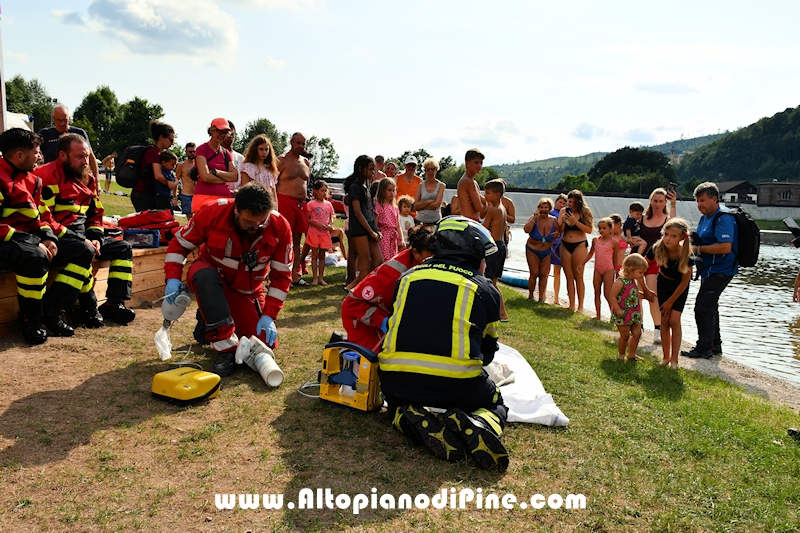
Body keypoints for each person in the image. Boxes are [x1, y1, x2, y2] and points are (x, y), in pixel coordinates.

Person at [378, 216, 509, 471]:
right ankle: (481, 422)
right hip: (456, 386)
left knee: (396, 403)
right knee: (495, 402)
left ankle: (404, 415)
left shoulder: (406, 277)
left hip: (395, 381)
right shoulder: (485, 289)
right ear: (471, 253)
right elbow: (488, 351)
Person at [164, 183, 293, 377]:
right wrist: (172, 279)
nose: (255, 228)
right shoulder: (212, 213)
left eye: (261, 222)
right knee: (204, 275)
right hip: (213, 278)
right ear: (236, 210)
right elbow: (179, 245)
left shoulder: (279, 226)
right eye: (249, 222)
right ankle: (225, 349)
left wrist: (269, 316)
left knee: (264, 343)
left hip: (247, 289)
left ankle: (208, 318)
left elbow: (282, 276)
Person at [35, 133, 136, 328]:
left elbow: (96, 214)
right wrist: (81, 240)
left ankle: (115, 303)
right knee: (84, 251)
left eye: (87, 156)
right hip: (56, 238)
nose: (85, 162)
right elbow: (44, 219)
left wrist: (96, 236)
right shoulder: (46, 176)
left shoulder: (88, 179)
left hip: (83, 238)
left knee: (123, 247)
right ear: (63, 155)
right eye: (80, 157)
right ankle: (54, 307)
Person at [0, 128, 58, 344]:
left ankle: (52, 312)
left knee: (78, 250)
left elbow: (40, 214)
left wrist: (48, 237)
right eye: (37, 152)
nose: (41, 157)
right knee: (34, 257)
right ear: (19, 156)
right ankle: (31, 319)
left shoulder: (33, 180)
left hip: (24, 239)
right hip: (7, 241)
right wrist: (33, 242)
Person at [341, 225, 434, 352]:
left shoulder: (421, 264)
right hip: (363, 323)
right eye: (431, 257)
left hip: (390, 317)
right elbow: (353, 302)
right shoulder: (393, 273)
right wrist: (382, 321)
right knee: (372, 361)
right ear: (416, 253)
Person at [681, 182, 738, 360]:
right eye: (698, 201)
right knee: (711, 307)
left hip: (722, 269)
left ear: (715, 199)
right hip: (709, 270)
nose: (700, 205)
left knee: (702, 307)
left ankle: (703, 348)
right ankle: (715, 345)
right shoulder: (706, 216)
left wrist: (698, 250)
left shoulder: (723, 217)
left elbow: (725, 247)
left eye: (703, 201)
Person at [653, 218, 693, 368]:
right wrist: (642, 286)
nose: (668, 239)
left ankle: (674, 360)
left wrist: (670, 302)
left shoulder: (686, 255)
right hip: (663, 284)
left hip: (679, 288)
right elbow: (642, 262)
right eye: (666, 234)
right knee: (664, 320)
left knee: (674, 320)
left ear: (682, 238)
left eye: (673, 236)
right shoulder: (658, 247)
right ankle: (665, 357)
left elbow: (684, 282)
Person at [640, 188, 677, 344]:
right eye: (655, 200)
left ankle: (657, 328)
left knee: (652, 295)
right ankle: (639, 326)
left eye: (661, 201)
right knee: (636, 295)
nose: (658, 204)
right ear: (650, 201)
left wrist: (674, 204)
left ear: (665, 202)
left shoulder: (666, 218)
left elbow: (674, 227)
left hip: (656, 260)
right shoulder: (641, 218)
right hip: (639, 259)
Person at [276, 132, 311, 286]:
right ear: (291, 142)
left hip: (301, 204)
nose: (301, 146)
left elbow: (306, 183)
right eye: (298, 143)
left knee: (297, 241)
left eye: (303, 143)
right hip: (285, 200)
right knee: (283, 239)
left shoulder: (305, 162)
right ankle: (278, 273)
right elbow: (273, 182)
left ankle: (295, 274)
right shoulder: (281, 160)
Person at [344, 156, 383, 291]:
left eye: (374, 169)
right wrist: (371, 231)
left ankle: (355, 286)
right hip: (359, 229)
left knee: (378, 260)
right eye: (371, 169)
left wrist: (375, 230)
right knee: (365, 263)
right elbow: (358, 212)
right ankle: (354, 288)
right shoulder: (355, 188)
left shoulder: (366, 187)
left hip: (369, 228)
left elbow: (370, 212)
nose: (373, 172)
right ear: (361, 169)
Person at [38, 104, 100, 186]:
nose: (62, 123)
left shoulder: (79, 133)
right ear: (53, 118)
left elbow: (91, 157)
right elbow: (33, 154)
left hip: (76, 181)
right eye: (58, 120)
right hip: (51, 180)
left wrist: (97, 182)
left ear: (69, 118)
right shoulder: (44, 134)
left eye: (65, 120)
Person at [558, 189, 594, 312]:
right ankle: (571, 304)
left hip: (579, 244)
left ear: (579, 202)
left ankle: (580, 306)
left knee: (578, 276)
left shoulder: (585, 212)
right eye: (569, 202)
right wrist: (563, 221)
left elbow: (589, 230)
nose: (571, 205)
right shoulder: (563, 211)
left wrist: (574, 221)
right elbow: (560, 229)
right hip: (565, 244)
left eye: (573, 202)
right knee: (569, 276)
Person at [192, 118, 238, 213]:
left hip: (224, 199)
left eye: (225, 132)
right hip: (204, 197)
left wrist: (215, 172)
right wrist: (225, 178)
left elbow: (235, 176)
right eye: (220, 131)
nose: (222, 135)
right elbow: (205, 177)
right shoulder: (202, 149)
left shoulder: (226, 153)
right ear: (211, 131)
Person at [609, 253, 648, 361]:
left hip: (634, 312)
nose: (642, 275)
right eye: (640, 272)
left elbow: (632, 293)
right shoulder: (620, 282)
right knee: (625, 335)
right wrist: (617, 309)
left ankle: (632, 353)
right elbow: (612, 296)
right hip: (622, 313)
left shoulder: (633, 281)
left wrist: (644, 296)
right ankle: (621, 354)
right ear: (630, 270)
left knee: (637, 333)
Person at [132, 120, 176, 212]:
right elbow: (158, 176)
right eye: (171, 140)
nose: (172, 144)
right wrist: (171, 184)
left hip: (147, 193)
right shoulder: (154, 152)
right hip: (142, 193)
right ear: (161, 137)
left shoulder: (158, 152)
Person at [581, 217, 620, 320]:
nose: (601, 230)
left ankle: (613, 315)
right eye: (600, 228)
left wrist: (616, 271)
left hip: (609, 269)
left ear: (610, 229)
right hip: (597, 269)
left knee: (608, 294)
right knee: (596, 291)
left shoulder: (614, 243)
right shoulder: (595, 241)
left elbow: (615, 258)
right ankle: (598, 315)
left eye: (604, 228)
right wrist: (582, 264)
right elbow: (590, 254)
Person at [482, 179, 509, 321]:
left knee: (490, 282)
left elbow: (484, 228)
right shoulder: (502, 208)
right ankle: (498, 312)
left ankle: (502, 312)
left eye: (487, 193)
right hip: (501, 245)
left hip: (494, 247)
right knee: (493, 281)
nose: (485, 195)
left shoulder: (493, 210)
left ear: (497, 195)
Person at [524, 198, 559, 302]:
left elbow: (559, 232)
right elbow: (526, 230)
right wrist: (534, 218)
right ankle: (530, 295)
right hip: (532, 250)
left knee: (544, 274)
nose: (543, 210)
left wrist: (557, 234)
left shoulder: (554, 220)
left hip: (547, 251)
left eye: (546, 207)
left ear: (550, 209)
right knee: (534, 273)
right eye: (541, 207)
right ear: (538, 209)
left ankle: (541, 298)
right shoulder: (534, 218)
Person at [306, 180, 334, 286]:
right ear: (315, 191)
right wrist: (316, 224)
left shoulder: (329, 204)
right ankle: (315, 278)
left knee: (322, 255)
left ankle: (321, 277)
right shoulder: (311, 204)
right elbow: (307, 219)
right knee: (314, 255)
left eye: (325, 191)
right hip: (314, 232)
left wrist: (330, 225)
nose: (324, 193)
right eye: (322, 190)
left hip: (324, 233)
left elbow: (331, 217)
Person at [240, 134, 278, 199]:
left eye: (266, 149)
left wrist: (276, 208)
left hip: (268, 205)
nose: (264, 152)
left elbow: (274, 194)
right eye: (261, 149)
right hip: (252, 203)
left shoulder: (270, 170)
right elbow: (244, 190)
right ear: (255, 149)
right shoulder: (247, 168)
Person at [374, 177, 401, 263]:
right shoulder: (379, 205)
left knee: (393, 259)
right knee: (384, 259)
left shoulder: (395, 207)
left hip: (393, 236)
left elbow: (398, 225)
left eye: (393, 190)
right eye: (389, 190)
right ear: (382, 190)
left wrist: (402, 239)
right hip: (383, 235)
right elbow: (375, 223)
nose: (392, 193)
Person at [457, 148, 487, 221]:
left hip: (469, 220)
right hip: (470, 221)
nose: (479, 166)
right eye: (476, 162)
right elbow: (479, 208)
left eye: (481, 163)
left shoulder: (471, 182)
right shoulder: (468, 182)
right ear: (467, 163)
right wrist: (487, 203)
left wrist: (484, 203)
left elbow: (482, 214)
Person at [414, 157, 445, 225]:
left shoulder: (441, 185)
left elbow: (437, 204)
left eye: (432, 169)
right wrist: (429, 202)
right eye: (428, 169)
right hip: (420, 221)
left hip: (436, 221)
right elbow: (415, 206)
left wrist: (422, 206)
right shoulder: (420, 186)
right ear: (425, 171)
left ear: (436, 170)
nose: (430, 171)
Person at [549, 194, 567, 305]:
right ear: (556, 202)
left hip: (560, 244)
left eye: (564, 203)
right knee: (546, 270)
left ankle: (556, 297)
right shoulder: (551, 213)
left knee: (557, 271)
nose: (562, 205)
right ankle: (544, 294)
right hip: (551, 243)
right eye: (560, 202)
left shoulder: (567, 214)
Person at [221, 120, 245, 193]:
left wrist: (237, 190)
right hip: (219, 195)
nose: (230, 136)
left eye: (233, 133)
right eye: (227, 133)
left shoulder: (241, 158)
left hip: (236, 197)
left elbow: (244, 179)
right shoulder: (214, 155)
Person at [175, 143, 196, 219]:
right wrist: (175, 197)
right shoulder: (182, 165)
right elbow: (176, 180)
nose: (192, 153)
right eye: (190, 152)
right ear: (186, 152)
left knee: (200, 217)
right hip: (186, 194)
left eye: (194, 151)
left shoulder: (199, 164)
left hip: (197, 194)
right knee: (190, 219)